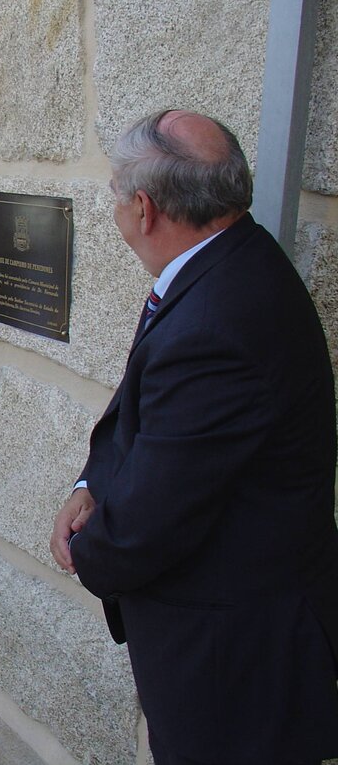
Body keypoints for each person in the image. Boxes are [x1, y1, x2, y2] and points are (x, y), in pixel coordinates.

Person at [50, 109, 338, 765]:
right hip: (230, 643)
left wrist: (86, 548)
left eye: (117, 197)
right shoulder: (223, 265)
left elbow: (153, 517)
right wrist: (90, 483)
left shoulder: (220, 317)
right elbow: (147, 415)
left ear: (145, 208)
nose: (116, 212)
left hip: (233, 665)